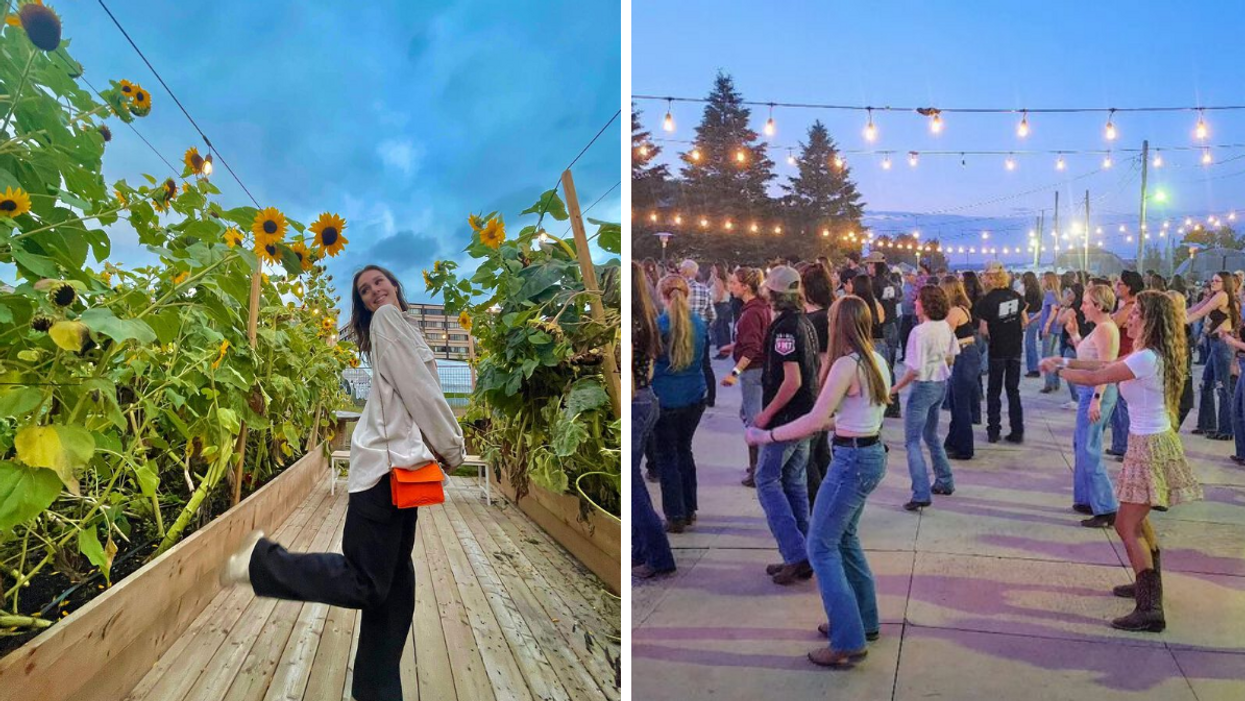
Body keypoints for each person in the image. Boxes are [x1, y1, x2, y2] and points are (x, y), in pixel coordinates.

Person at [220, 265, 466, 701]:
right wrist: (452, 445)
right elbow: (422, 393)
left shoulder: (396, 326)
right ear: (364, 304)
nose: (374, 292)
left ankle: (377, 690)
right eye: (365, 291)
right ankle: (260, 562)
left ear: (394, 285)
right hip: (383, 475)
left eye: (379, 283)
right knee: (368, 582)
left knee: (394, 584)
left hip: (396, 472)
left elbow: (415, 395)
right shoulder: (391, 323)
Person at [1042, 291, 1202, 632]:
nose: (1128, 316)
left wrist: (1058, 369)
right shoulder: (1148, 354)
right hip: (1148, 443)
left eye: (1136, 313)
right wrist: (1066, 361)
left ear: (1151, 320)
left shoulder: (1146, 358)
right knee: (1138, 521)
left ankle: (1150, 607)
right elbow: (1103, 366)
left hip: (1149, 445)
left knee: (1125, 525)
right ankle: (1147, 584)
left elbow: (1097, 378)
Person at [746, 295, 891, 668]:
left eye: (829, 319)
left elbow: (813, 420)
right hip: (869, 454)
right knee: (845, 540)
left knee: (822, 547)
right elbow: (839, 419)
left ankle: (848, 639)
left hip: (852, 461)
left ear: (837, 324)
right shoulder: (876, 360)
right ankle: (863, 621)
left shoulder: (846, 364)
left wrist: (767, 436)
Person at [751, 266, 821, 585]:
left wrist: (766, 416)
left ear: (773, 293)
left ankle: (794, 554)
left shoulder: (785, 329)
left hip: (786, 419)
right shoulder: (805, 321)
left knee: (766, 480)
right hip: (805, 416)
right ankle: (805, 554)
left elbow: (791, 380)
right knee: (793, 483)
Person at [891, 285, 959, 510]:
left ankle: (920, 492)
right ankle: (945, 479)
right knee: (931, 435)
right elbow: (952, 355)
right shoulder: (945, 327)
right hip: (940, 383)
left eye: (918, 300)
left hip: (923, 387)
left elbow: (913, 370)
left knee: (912, 441)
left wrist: (893, 389)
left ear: (926, 305)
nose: (915, 304)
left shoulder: (919, 332)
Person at [652, 275, 709, 533]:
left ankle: (674, 515)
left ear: (663, 296)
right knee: (685, 450)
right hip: (694, 396)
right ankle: (689, 510)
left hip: (665, 397)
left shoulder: (659, 326)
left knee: (667, 457)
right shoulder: (699, 324)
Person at [632, 262, 676, 579]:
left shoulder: (632, 324)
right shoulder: (647, 319)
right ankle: (640, 550)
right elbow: (647, 370)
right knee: (635, 480)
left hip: (635, 401)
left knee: (633, 486)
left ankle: (658, 555)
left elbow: (631, 381)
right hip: (650, 398)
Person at [1066, 283, 1121, 527]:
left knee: (1089, 447)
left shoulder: (1105, 329)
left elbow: (1105, 368)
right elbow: (1088, 357)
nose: (1082, 307)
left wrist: (1096, 399)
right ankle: (1086, 498)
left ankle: (1106, 507)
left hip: (1097, 391)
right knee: (1082, 443)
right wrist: (1075, 334)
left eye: (1086, 303)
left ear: (1099, 305)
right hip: (1091, 389)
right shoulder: (1099, 329)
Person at [721, 267, 771, 487]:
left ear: (745, 287)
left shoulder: (751, 312)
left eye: (734, 283)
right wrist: (735, 345)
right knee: (749, 414)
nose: (730, 286)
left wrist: (734, 373)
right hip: (758, 369)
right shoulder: (758, 308)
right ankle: (758, 465)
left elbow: (753, 349)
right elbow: (755, 340)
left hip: (753, 372)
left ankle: (757, 470)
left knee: (754, 421)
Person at [976, 264, 1028, 443]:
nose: (983, 279)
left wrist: (995, 333)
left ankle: (993, 430)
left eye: (985, 276)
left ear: (992, 278)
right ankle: (1017, 430)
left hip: (998, 349)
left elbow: (983, 329)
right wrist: (1012, 329)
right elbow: (1025, 321)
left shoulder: (987, 300)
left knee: (994, 391)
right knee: (1013, 390)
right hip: (1015, 348)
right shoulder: (1016, 296)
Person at [1188, 271, 1239, 440]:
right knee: (1206, 384)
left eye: (1217, 281)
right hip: (1214, 343)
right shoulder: (1214, 295)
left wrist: (1181, 320)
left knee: (1222, 387)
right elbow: (1197, 307)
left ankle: (1226, 429)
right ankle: (1207, 424)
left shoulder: (1222, 296)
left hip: (1221, 344)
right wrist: (1178, 312)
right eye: (1212, 280)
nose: (1213, 283)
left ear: (1225, 284)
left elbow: (1201, 312)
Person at [802, 263, 835, 507]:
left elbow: (825, 359)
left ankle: (818, 503)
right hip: (821, 389)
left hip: (816, 389)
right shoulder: (824, 314)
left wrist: (820, 393)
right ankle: (829, 499)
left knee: (809, 452)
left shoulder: (820, 319)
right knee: (820, 449)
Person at [942, 276, 980, 460]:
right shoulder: (963, 308)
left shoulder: (955, 311)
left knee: (960, 404)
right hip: (968, 355)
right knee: (958, 403)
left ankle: (964, 448)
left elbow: (945, 336)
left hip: (963, 356)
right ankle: (954, 441)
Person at [1105, 271, 1142, 454]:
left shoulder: (1130, 307)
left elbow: (1110, 325)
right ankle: (1119, 445)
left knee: (1122, 404)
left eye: (1119, 284)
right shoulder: (1126, 306)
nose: (1116, 287)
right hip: (1121, 355)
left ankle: (1125, 447)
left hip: (1126, 356)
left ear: (1129, 287)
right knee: (1118, 404)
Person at [681, 259, 718, 408]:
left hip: (683, 333)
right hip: (701, 334)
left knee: (683, 366)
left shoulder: (679, 290)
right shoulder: (704, 290)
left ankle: (687, 397)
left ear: (683, 272)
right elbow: (713, 315)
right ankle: (711, 397)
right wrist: (704, 327)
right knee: (705, 365)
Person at [1040, 272, 1064, 394]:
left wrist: (1047, 325)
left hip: (1050, 328)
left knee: (1046, 356)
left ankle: (1049, 383)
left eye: (1043, 278)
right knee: (1052, 355)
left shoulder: (1049, 294)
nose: (1041, 280)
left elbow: (1053, 310)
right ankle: (1055, 382)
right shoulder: (1056, 294)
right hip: (1056, 328)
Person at [1021, 272, 1044, 377]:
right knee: (1031, 343)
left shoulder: (1030, 291)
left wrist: (1021, 311)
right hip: (1037, 315)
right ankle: (1034, 367)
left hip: (1031, 315)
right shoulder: (1038, 290)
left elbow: (1027, 305)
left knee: (1029, 343)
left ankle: (1033, 368)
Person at [710, 263, 733, 359]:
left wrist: (712, 302)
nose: (712, 270)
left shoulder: (719, 280)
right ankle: (725, 350)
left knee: (720, 328)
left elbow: (719, 295)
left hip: (720, 305)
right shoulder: (723, 280)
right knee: (724, 327)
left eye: (714, 268)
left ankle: (723, 351)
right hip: (725, 305)